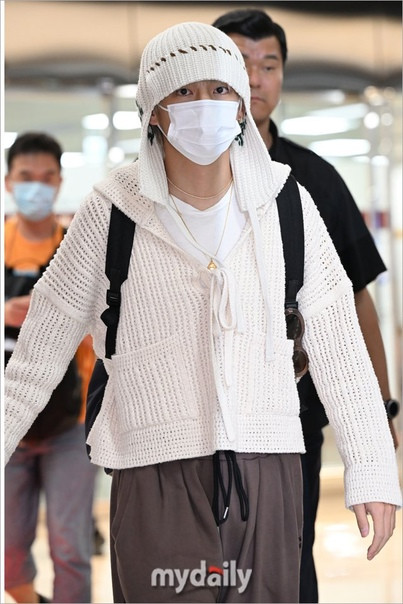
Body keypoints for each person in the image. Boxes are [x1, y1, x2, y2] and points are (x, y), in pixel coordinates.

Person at [4, 23, 401, 604]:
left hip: (269, 466)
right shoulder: (112, 211)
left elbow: (340, 348)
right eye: (184, 92)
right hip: (154, 470)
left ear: (241, 105)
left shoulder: (287, 204)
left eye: (219, 89)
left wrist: (372, 467)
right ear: (154, 111)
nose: (205, 104)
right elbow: (36, 357)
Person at [212, 8, 400, 603]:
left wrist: (381, 407)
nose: (255, 79)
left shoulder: (312, 179)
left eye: (269, 65)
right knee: (200, 566)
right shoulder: (175, 178)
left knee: (288, 559)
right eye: (241, 63)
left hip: (293, 416)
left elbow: (356, 299)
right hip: (199, 417)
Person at [4, 132, 98, 604]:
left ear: (60, 182)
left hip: (69, 425)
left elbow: (105, 330)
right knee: (8, 556)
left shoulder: (76, 252)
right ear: (8, 182)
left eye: (46, 178)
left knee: (69, 546)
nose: (36, 187)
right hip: (8, 426)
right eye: (26, 177)